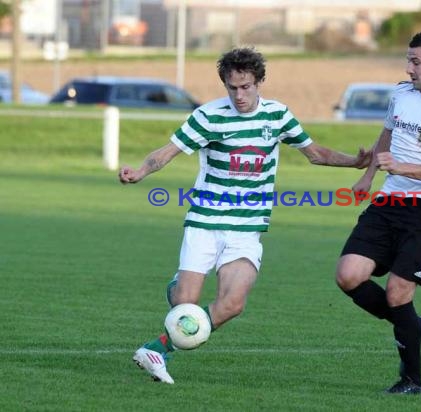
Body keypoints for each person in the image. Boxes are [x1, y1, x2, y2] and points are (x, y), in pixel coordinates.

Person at [119, 46, 370, 384]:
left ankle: (155, 349)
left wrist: (354, 162)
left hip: (246, 230)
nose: (239, 95)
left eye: (246, 87)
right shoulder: (208, 116)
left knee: (232, 304)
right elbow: (167, 153)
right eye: (232, 88)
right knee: (185, 305)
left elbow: (315, 153)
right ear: (224, 84)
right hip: (206, 221)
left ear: (259, 82)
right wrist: (139, 172)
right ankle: (176, 294)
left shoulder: (278, 116)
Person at [335, 32, 421, 395]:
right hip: (390, 200)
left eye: (415, 61)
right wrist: (368, 175)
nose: (408, 68)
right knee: (348, 275)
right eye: (407, 60)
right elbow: (388, 132)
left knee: (398, 293)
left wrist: (401, 167)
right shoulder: (401, 93)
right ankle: (414, 325)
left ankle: (412, 381)